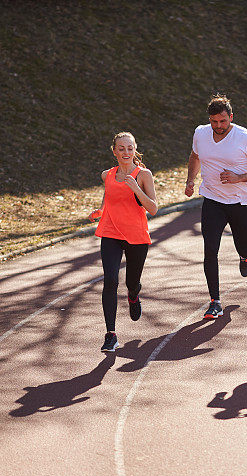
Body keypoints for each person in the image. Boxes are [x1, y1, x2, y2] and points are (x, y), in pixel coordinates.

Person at [185, 94, 247, 319]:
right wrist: (190, 181)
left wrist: (239, 178)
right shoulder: (201, 133)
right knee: (210, 249)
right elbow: (195, 157)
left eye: (223, 121)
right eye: (214, 122)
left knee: (242, 245)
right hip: (212, 200)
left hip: (240, 202)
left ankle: (245, 254)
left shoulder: (246, 138)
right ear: (209, 120)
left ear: (231, 117)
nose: (219, 126)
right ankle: (215, 301)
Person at [89, 132, 158, 353]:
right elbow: (108, 198)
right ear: (114, 151)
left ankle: (134, 294)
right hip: (110, 232)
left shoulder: (143, 174)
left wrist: (135, 188)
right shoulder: (107, 175)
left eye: (129, 148)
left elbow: (153, 209)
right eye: (121, 148)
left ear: (135, 149)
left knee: (131, 282)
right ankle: (111, 334)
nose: (125, 152)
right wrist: (100, 211)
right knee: (110, 280)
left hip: (136, 235)